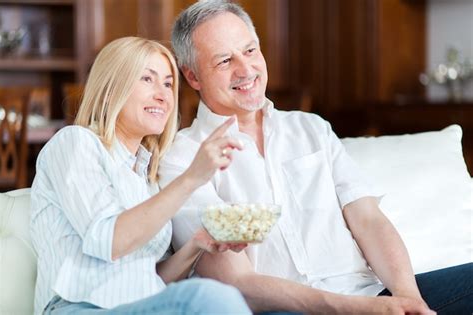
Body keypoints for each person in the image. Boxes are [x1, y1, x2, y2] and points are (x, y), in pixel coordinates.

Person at [158, 1, 473, 314]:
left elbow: (369, 220)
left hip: (371, 295)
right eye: (225, 60)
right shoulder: (184, 158)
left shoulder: (311, 128)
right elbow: (237, 281)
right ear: (194, 77)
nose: (246, 69)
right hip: (283, 310)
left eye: (250, 50)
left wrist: (408, 301)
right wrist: (355, 309)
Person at [30, 36, 251, 315]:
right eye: (147, 79)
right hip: (76, 308)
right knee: (206, 297)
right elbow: (109, 241)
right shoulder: (75, 143)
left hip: (134, 307)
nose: (163, 94)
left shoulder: (146, 177)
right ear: (110, 90)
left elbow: (148, 281)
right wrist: (191, 177)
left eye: (169, 83)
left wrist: (199, 243)